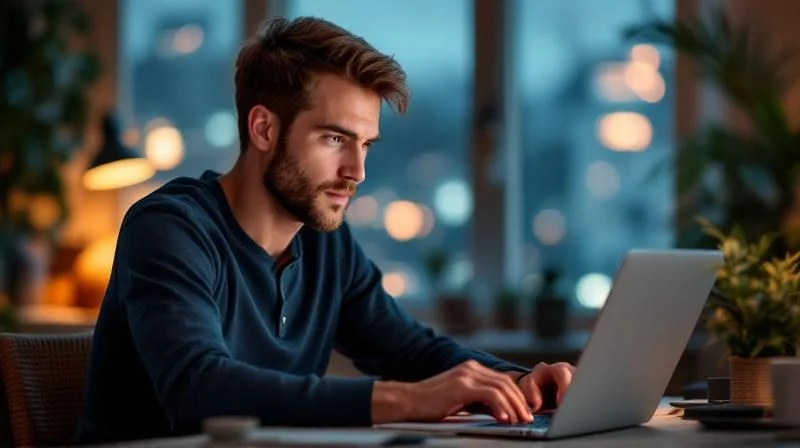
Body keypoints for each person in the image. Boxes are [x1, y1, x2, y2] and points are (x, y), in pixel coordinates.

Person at [75, 16, 575, 445]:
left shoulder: (325, 241)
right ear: (264, 129)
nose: (356, 170)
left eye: (366, 145)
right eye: (335, 138)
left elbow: (411, 350)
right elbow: (199, 391)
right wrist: (408, 400)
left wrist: (520, 380)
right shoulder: (169, 229)